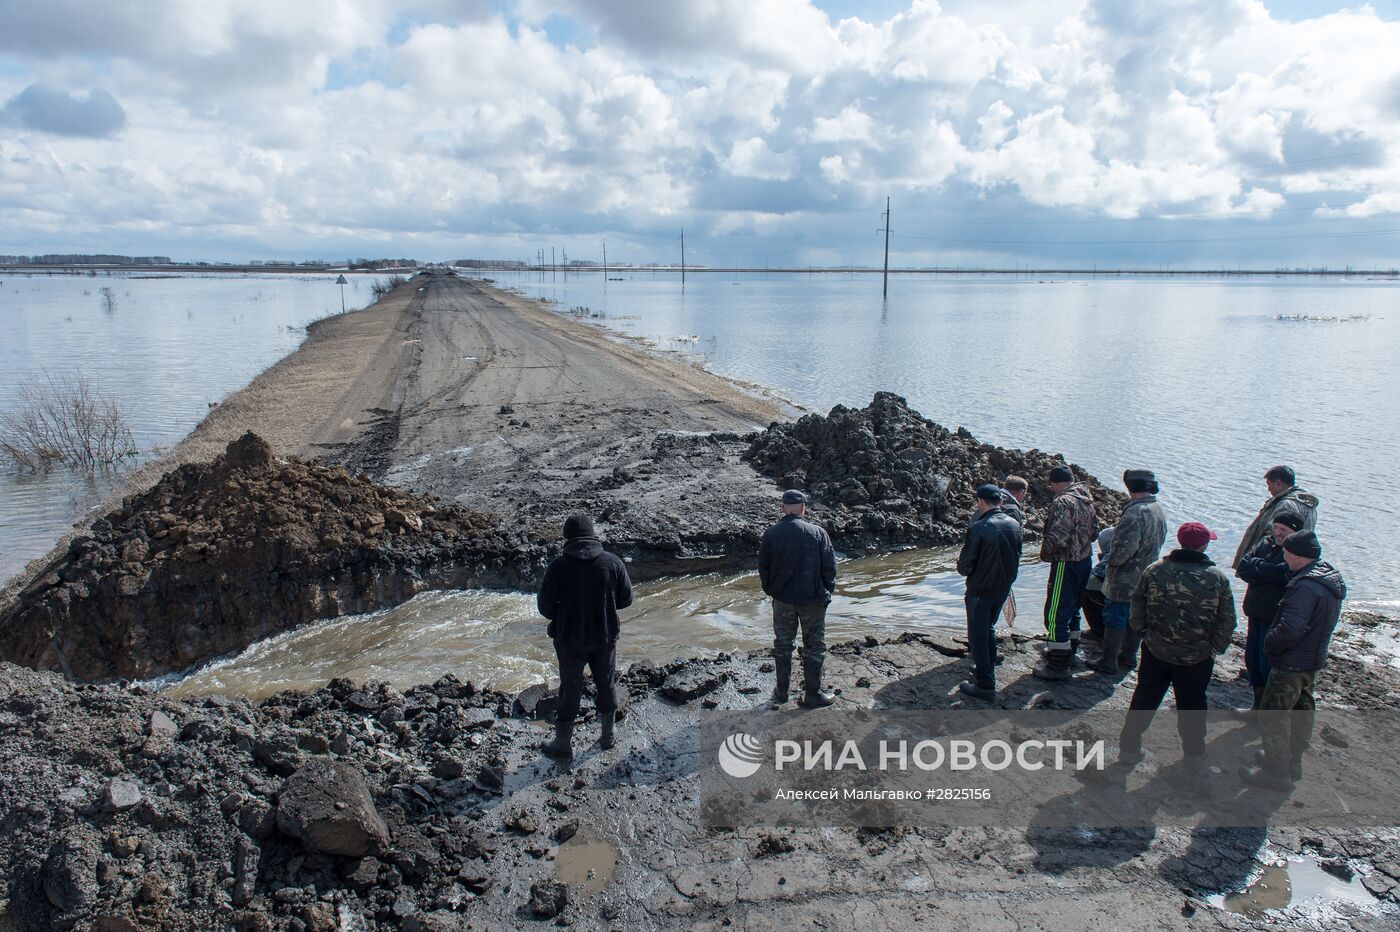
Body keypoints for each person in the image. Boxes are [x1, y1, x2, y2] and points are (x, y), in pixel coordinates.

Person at [1117, 522, 1236, 790]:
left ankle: (1129, 749)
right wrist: (1215, 648)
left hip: (1156, 650)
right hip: (1196, 657)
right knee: (1192, 706)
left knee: (1145, 698)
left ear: (1180, 542)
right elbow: (1227, 620)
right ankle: (1194, 754)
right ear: (1204, 545)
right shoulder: (1216, 578)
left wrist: (1145, 633)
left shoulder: (1155, 571)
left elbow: (1137, 606)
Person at [1239, 530, 1346, 791]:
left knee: (1275, 715)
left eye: (1286, 552)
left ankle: (1275, 773)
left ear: (1297, 555)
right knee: (1302, 710)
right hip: (1311, 659)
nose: (1283, 556)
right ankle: (1291, 761)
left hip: (1291, 662)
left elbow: (1291, 628)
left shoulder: (1304, 587)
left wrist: (1270, 643)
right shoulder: (1327, 578)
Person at [536, 515, 634, 759]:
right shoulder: (612, 562)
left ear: (567, 538)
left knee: (570, 689)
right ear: (592, 535)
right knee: (606, 683)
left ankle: (563, 744)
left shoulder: (558, 566)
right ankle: (607, 737)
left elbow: (545, 609)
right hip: (604, 635)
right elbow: (626, 600)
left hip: (569, 640)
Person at [759, 489, 838, 709]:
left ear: (783, 508)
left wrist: (772, 591)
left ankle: (781, 693)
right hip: (812, 601)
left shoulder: (771, 534)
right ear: (803, 508)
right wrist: (825, 592)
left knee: (783, 645)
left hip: (783, 600)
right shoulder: (818, 533)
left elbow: (763, 569)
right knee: (814, 645)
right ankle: (813, 694)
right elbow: (830, 568)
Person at [1092, 469, 1168, 674]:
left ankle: (1108, 661)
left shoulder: (1135, 512)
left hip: (1125, 575)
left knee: (1115, 616)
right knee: (1135, 616)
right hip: (1146, 572)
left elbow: (1123, 549)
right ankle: (1129, 655)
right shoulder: (1156, 508)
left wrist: (1109, 563)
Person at [956, 484, 1024, 700]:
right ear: (1001, 502)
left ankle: (985, 684)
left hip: (980, 589)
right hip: (1002, 587)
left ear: (981, 502)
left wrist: (961, 566)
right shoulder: (1014, 524)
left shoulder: (979, 528)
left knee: (978, 634)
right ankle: (986, 667)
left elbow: (966, 566)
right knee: (989, 629)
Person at [1232, 512, 1305, 713]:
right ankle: (1256, 705)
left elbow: (1283, 573)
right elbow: (1244, 567)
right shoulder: (1266, 543)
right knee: (1252, 660)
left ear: (1295, 532)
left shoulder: (1296, 552)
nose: (1278, 533)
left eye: (1284, 530)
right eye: (1276, 528)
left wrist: (1259, 569)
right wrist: (1265, 570)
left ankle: (1267, 711)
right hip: (1255, 611)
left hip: (1274, 617)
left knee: (1266, 664)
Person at [1034, 465, 1098, 681]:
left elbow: (1058, 535)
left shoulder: (1063, 501)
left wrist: (1044, 554)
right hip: (1084, 560)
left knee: (1055, 612)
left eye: (1051, 484)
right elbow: (1094, 532)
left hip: (1065, 562)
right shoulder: (1086, 499)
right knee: (1074, 607)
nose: (1051, 489)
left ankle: (1057, 664)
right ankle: (1071, 648)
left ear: (1056, 483)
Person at [1232, 465, 1319, 569]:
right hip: (1297, 560)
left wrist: (1252, 561)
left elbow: (1273, 534)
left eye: (1269, 484)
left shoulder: (1285, 505)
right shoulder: (1307, 503)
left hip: (1276, 560)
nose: (1268, 489)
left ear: (1278, 483)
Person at [1081, 526, 1115, 644]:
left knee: (1084, 587)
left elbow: (1092, 578)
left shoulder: (1109, 556)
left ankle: (1098, 631)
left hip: (1113, 597)